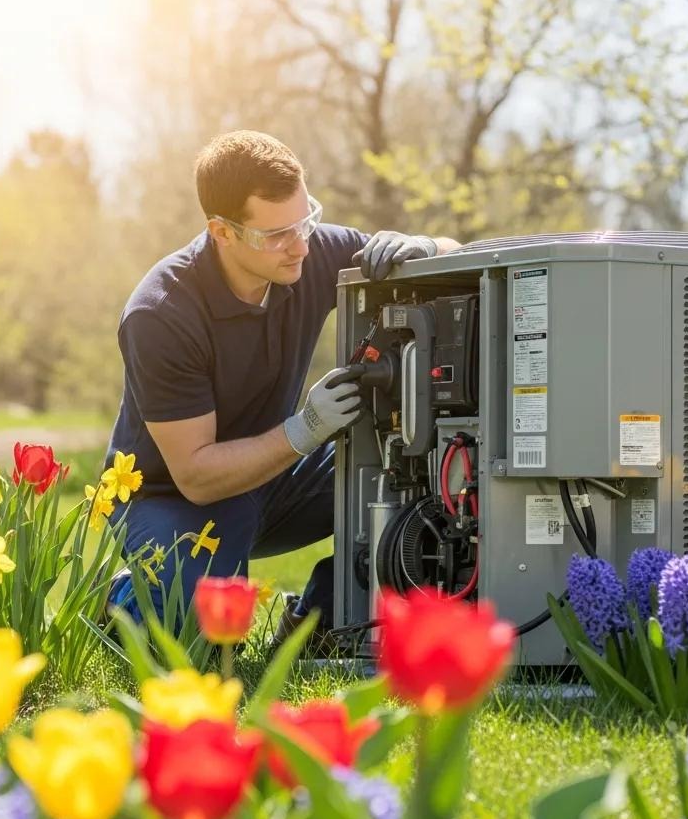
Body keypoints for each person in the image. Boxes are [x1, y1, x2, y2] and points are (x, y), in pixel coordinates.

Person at [104, 130, 462, 642]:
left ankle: (324, 614)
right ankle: (125, 597)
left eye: (306, 220)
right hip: (169, 496)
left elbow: (458, 254)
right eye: (276, 234)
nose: (300, 245)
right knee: (196, 636)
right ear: (221, 231)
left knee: (416, 455)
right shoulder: (161, 313)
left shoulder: (304, 250)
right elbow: (196, 476)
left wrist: (425, 247)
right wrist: (306, 429)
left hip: (277, 480)